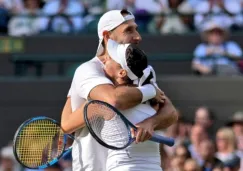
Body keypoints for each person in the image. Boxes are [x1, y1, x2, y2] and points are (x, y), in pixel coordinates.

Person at [61, 9, 177, 171]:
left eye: (136, 29)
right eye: (128, 30)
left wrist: (150, 123)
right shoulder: (88, 70)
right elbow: (113, 101)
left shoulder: (139, 68)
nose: (138, 36)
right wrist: (150, 90)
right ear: (107, 36)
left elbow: (170, 112)